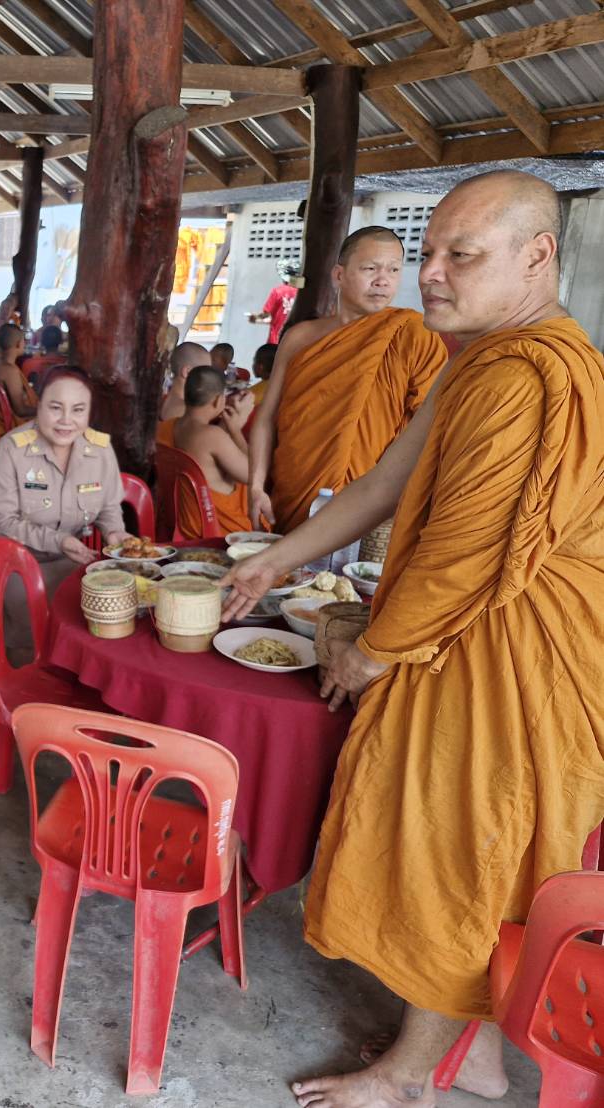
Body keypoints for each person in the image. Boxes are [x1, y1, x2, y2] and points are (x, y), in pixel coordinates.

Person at [220, 170, 604, 1108]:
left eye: (457, 256)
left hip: (506, 646)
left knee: (460, 846)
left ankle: (405, 1076)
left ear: (535, 256)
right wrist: (277, 559)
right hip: (473, 633)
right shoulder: (478, 358)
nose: (429, 275)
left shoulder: (528, 373)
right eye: (424, 254)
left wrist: (371, 651)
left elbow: (465, 556)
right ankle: (461, 1054)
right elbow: (390, 474)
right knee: (466, 843)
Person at [246, 226, 449, 533]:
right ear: (339, 276)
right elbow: (266, 417)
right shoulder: (300, 338)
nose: (383, 280)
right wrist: (256, 486)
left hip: (368, 503)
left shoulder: (413, 334)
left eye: (394, 269)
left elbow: (431, 429)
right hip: (295, 489)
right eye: (370, 268)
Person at [0, 366, 127, 600]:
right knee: (31, 630)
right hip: (19, 563)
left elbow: (109, 507)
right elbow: (1, 521)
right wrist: (58, 541)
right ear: (38, 406)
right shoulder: (11, 450)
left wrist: (114, 532)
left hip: (76, 561)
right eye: (55, 408)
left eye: (78, 410)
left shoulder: (100, 449)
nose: (66, 420)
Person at [171, 365, 254, 537]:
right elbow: (252, 475)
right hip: (220, 533)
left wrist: (227, 426)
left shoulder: (173, 427)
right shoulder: (213, 436)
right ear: (218, 401)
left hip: (187, 527)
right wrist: (236, 430)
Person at [156, 341, 212, 440]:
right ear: (187, 372)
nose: (209, 378)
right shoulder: (188, 411)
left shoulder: (163, 400)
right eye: (205, 372)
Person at [0, 324, 36, 422]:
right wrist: (43, 410)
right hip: (14, 422)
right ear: (18, 344)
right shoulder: (10, 371)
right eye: (24, 341)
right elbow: (20, 411)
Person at [248, 260, 298, 346]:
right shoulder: (303, 293)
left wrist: (255, 318)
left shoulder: (278, 291)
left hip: (276, 341)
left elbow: (267, 315)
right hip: (295, 342)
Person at [248, 342, 277, 408]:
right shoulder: (277, 385)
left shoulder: (252, 396)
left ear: (261, 366)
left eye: (254, 361)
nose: (253, 365)